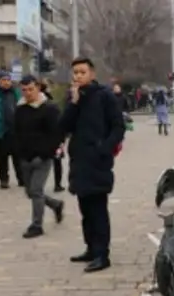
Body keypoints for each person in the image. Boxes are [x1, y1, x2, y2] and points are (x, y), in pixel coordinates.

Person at [60, 57, 126, 273]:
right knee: (85, 208)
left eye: (82, 72)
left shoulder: (104, 96)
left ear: (92, 74)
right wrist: (74, 102)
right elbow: (63, 126)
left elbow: (118, 127)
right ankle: (90, 248)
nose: (78, 76)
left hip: (97, 161)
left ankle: (102, 254)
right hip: (79, 160)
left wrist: (104, 149)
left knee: (98, 209)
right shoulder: (75, 97)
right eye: (75, 72)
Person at [14, 75, 65, 239]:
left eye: (30, 89)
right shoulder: (20, 108)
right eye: (24, 90)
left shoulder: (49, 108)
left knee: (36, 190)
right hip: (24, 157)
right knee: (30, 192)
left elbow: (57, 134)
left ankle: (37, 225)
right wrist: (18, 152)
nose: (27, 93)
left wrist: (45, 153)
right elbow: (16, 132)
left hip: (42, 158)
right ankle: (55, 204)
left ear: (38, 88)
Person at [39, 78, 65, 192]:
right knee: (57, 161)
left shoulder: (34, 103)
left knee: (40, 162)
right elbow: (59, 122)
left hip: (41, 138)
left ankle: (38, 183)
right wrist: (62, 139)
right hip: (54, 138)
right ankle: (57, 184)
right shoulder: (51, 103)